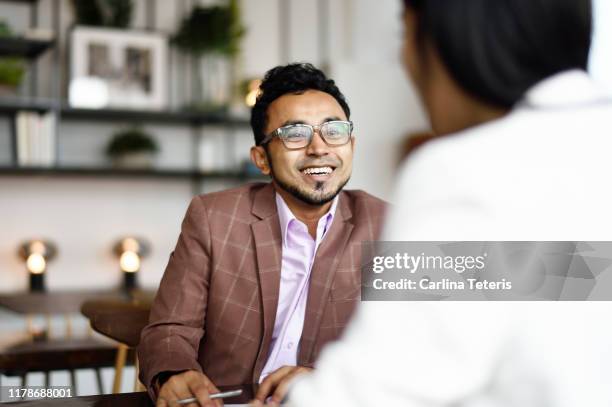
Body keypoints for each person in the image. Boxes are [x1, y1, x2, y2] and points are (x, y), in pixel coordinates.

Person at [286, 0, 612, 406]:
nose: (405, 62)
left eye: (405, 36)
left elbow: (380, 392)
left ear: (447, 37)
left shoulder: (464, 170)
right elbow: (572, 278)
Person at [137, 63, 387, 406]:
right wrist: (174, 374)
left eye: (334, 130)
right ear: (262, 159)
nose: (319, 147)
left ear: (351, 146)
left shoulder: (388, 223)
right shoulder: (212, 218)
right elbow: (169, 329)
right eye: (295, 133)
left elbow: (428, 342)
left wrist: (330, 376)